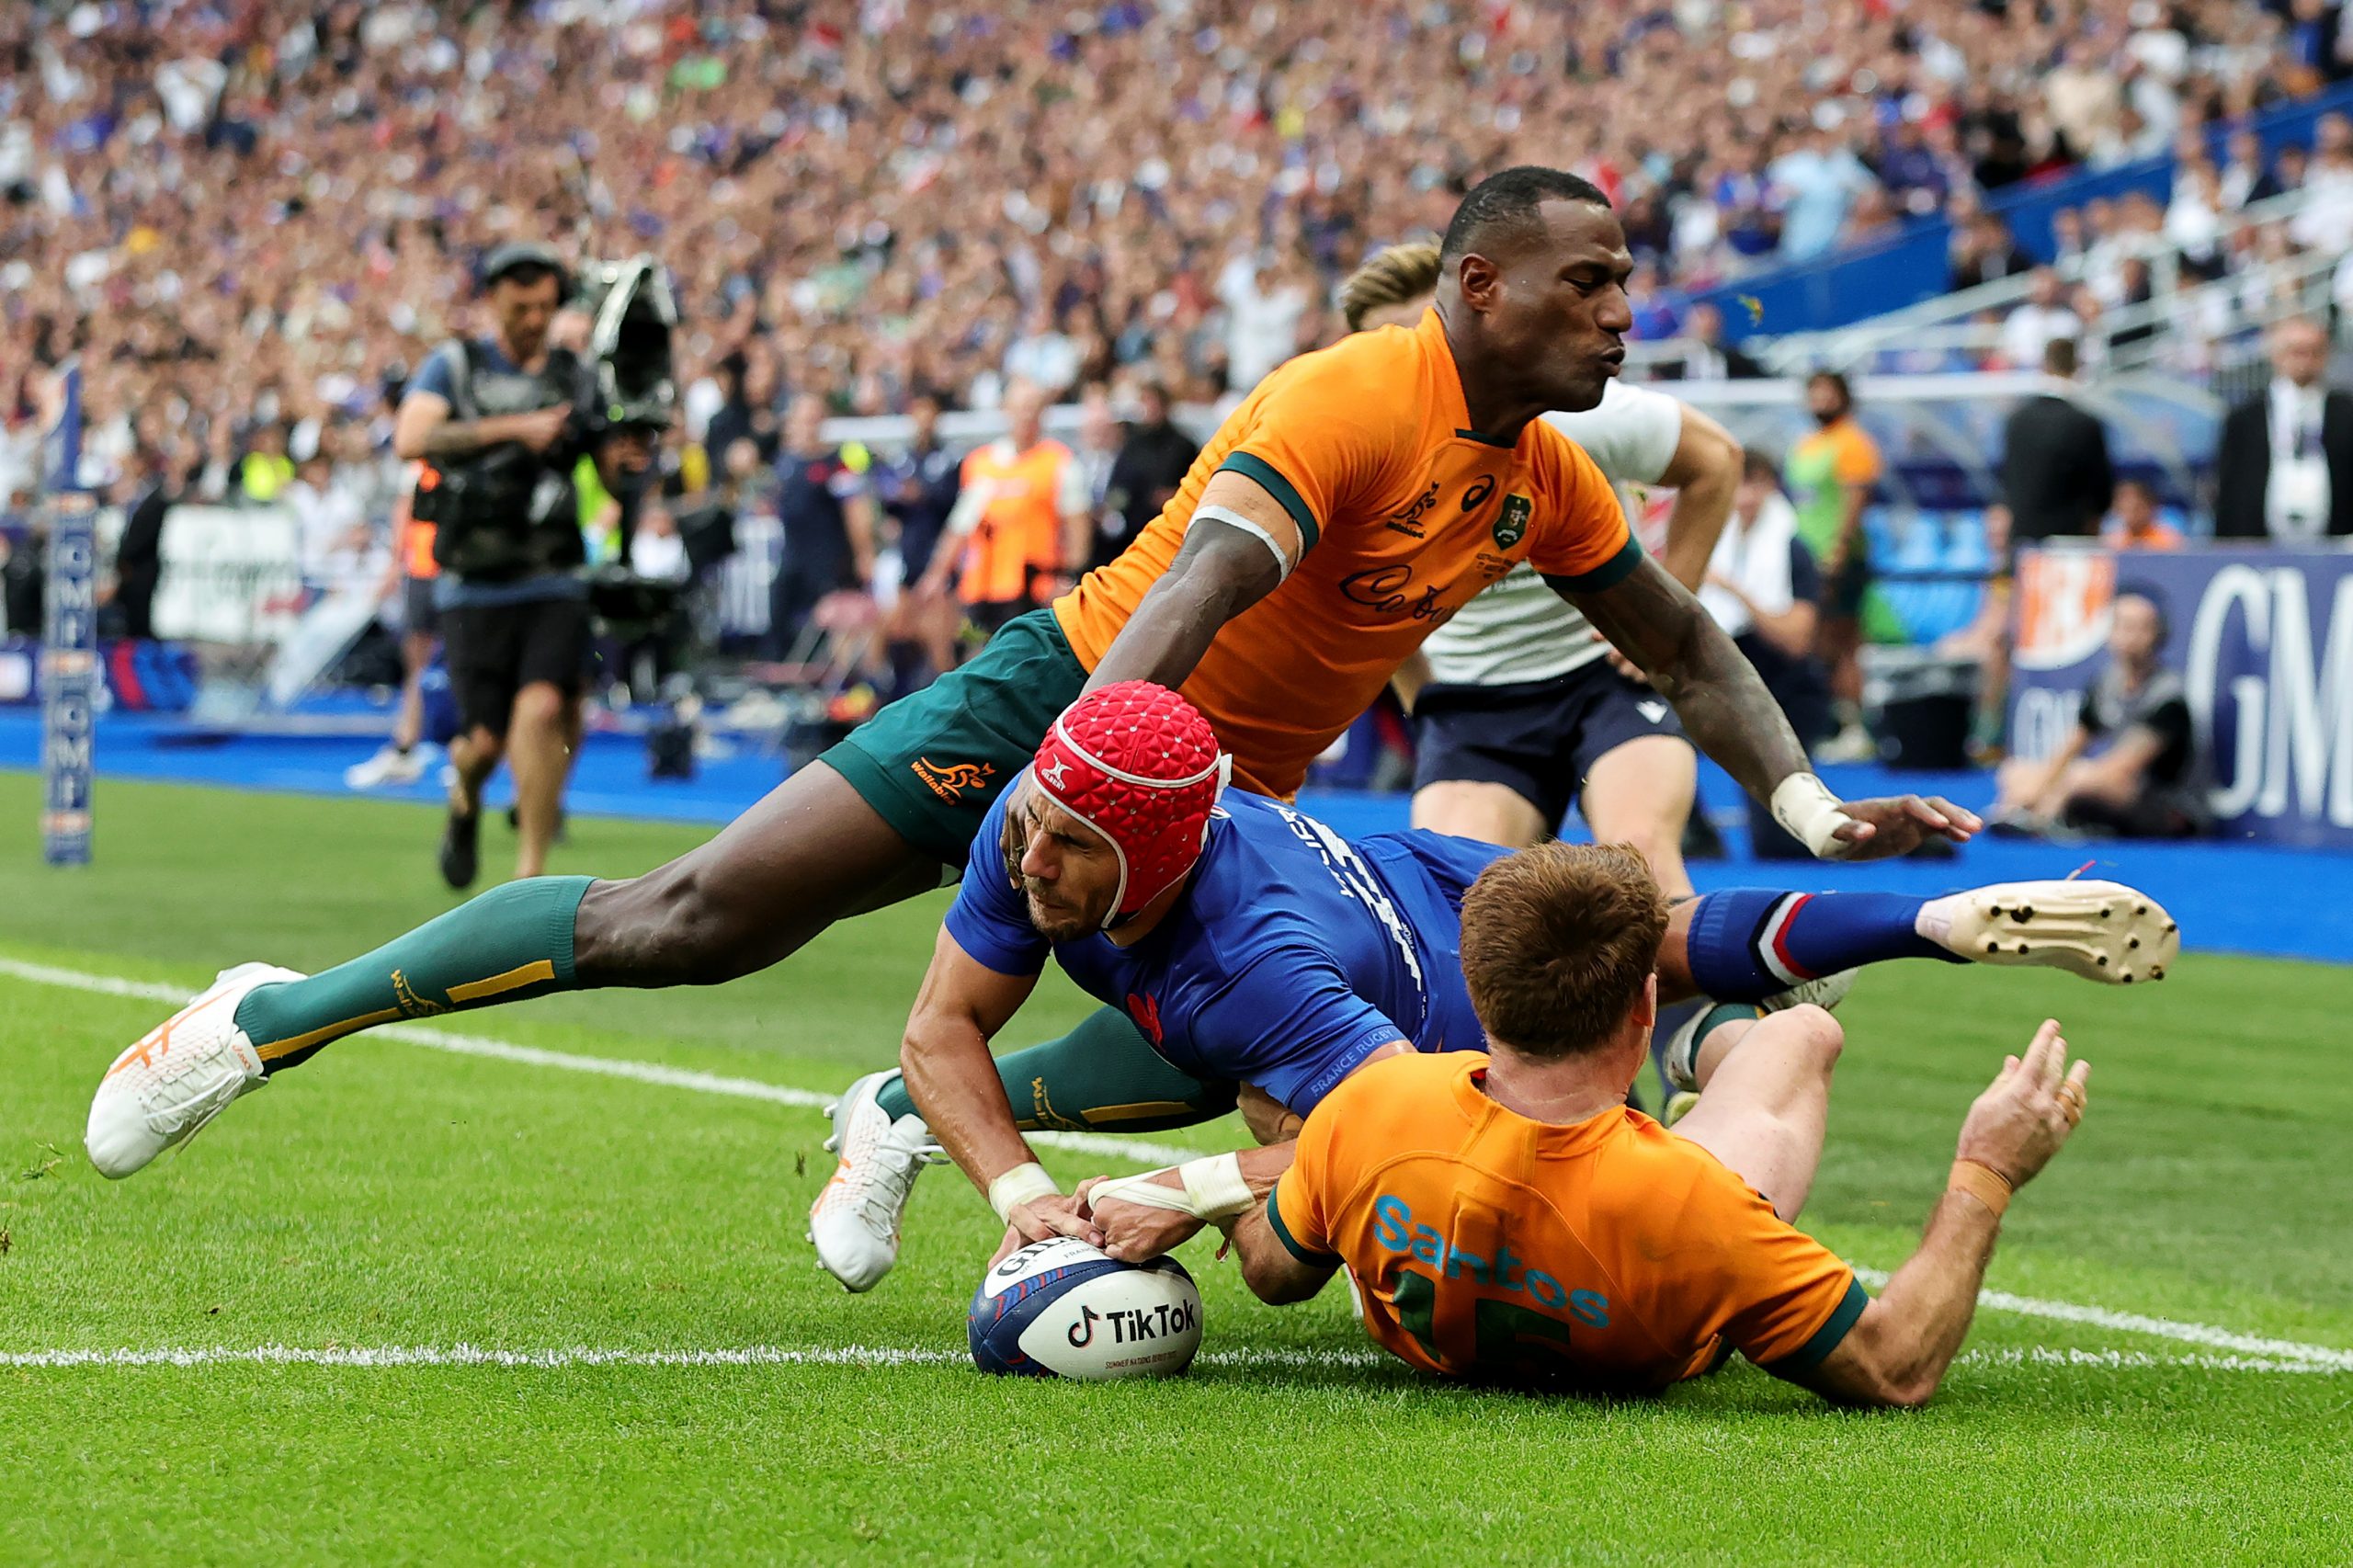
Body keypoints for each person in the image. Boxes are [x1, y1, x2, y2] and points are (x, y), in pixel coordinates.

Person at [86, 166, 1979, 1188]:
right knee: (694, 921)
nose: (1619, 310)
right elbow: (1198, 592)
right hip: (1062, 710)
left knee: (1225, 1038)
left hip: (1222, 803)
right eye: (1586, 283)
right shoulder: (1349, 394)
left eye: (1622, 280)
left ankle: (909, 1117)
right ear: (1478, 291)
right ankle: (267, 1017)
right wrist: (1064, 786)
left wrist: (1806, 805)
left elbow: (1682, 645)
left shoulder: (1542, 472)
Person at [806, 681, 2167, 1291]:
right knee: (1655, 929)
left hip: (1445, 1006)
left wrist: (1191, 1191)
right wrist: (1022, 1195)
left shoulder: (1259, 966)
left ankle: (1777, 1038)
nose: (1032, 858)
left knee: (1288, 1254)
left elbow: (1408, 1126)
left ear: (1159, 849)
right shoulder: (1036, 825)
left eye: (1071, 846)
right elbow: (943, 1024)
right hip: (1420, 879)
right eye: (1034, 822)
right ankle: (1895, 933)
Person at [1211, 842, 2097, 1405]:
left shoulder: (1370, 1106)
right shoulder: (1697, 1202)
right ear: (1645, 1001)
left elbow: (1274, 1273)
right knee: (1804, 1034)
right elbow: (1895, 1366)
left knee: (1781, 1049)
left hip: (1463, 1198)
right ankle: (1713, 1036)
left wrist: (1273, 1167)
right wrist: (1988, 1170)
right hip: (1655, 1231)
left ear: (1476, 992)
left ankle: (1711, 1047)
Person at [1333, 239, 1742, 891]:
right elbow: (1371, 603)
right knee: (1448, 901)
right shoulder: (1362, 458)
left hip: (1602, 679)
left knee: (1641, 871)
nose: (1407, 364)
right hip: (1479, 703)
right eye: (1383, 348)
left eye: (1417, 337)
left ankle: (1744, 988)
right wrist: (1429, 705)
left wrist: (1663, 617)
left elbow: (1715, 460)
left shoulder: (1568, 409)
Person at [388, 243, 590, 889]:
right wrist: (515, 428)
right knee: (482, 745)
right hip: (473, 581)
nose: (535, 318)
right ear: (494, 301)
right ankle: (465, 798)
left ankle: (530, 875)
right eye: (521, 305)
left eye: (544, 305)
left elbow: (608, 462)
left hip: (554, 572)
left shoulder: (575, 372)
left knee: (542, 710)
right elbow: (411, 439)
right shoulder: (455, 365)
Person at [1989, 590, 2208, 840]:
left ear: (2159, 635)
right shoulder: (2105, 682)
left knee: (2083, 776)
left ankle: (2040, 821)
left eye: (2141, 628)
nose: (2131, 636)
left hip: (2166, 807)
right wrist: (2036, 784)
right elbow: (2072, 745)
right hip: (2111, 790)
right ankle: (2014, 813)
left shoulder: (2169, 697)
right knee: (2016, 770)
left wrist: (2047, 789)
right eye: (2123, 626)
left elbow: (2122, 767)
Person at [1700, 450, 1835, 858]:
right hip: (1729, 689)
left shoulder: (1793, 550)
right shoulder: (1709, 539)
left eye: (1753, 484)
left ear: (1771, 487)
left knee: (1778, 846)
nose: (1744, 496)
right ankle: (1697, 835)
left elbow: (1796, 640)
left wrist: (1735, 592)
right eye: (1736, 484)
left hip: (1787, 693)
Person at [917, 379, 1090, 637]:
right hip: (983, 589)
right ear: (1006, 410)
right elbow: (961, 526)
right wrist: (937, 574)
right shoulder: (982, 463)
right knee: (977, 657)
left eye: (1033, 407)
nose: (1027, 414)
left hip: (1035, 590)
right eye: (1020, 407)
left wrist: (1070, 578)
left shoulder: (1060, 462)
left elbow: (1078, 528)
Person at [1785, 370, 1883, 759]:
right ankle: (1829, 720)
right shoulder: (1807, 445)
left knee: (1842, 641)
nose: (1819, 401)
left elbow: (1855, 500)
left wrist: (1838, 552)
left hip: (1837, 559)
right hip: (1805, 557)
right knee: (1815, 642)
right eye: (1814, 393)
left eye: (1827, 393)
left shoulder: (1854, 444)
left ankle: (1856, 727)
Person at [2214, 316, 2353, 542]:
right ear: (2276, 355)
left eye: (2314, 351)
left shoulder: (2346, 412)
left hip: (2335, 544)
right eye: (2297, 351)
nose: (2306, 360)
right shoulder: (2245, 418)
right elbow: (2230, 487)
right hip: (2262, 547)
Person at [769, 392, 878, 655]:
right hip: (793, 557)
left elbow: (856, 509)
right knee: (781, 621)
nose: (807, 426)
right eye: (802, 420)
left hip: (829, 561)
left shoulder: (837, 463)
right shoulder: (785, 463)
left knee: (833, 624)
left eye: (813, 420)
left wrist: (864, 554)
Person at [2000, 338, 2116, 548]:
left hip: (2025, 539)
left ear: (2045, 366)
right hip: (2071, 541)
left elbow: (2008, 478)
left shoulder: (2016, 421)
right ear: (2075, 366)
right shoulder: (2084, 424)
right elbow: (2101, 489)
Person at [1096, 378, 1199, 572]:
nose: (1149, 407)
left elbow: (1198, 484)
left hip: (1171, 530)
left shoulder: (1183, 445)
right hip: (1132, 532)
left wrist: (1175, 496)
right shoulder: (1133, 445)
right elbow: (1118, 488)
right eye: (1144, 401)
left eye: (1153, 401)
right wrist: (1112, 508)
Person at [2099, 478, 2184, 550]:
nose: (2131, 515)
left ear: (2150, 506)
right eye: (2125, 509)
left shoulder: (2167, 541)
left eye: (2136, 508)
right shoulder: (2112, 542)